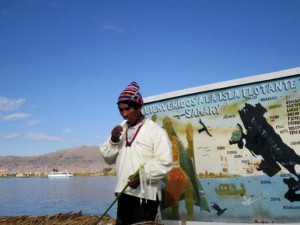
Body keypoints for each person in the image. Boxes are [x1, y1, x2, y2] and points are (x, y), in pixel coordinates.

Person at [100, 81, 173, 225]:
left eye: (127, 109)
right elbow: (108, 158)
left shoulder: (156, 132)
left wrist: (142, 176)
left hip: (145, 197)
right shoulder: (120, 131)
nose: (124, 114)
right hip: (123, 193)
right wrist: (114, 140)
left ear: (139, 107)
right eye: (120, 110)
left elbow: (165, 163)